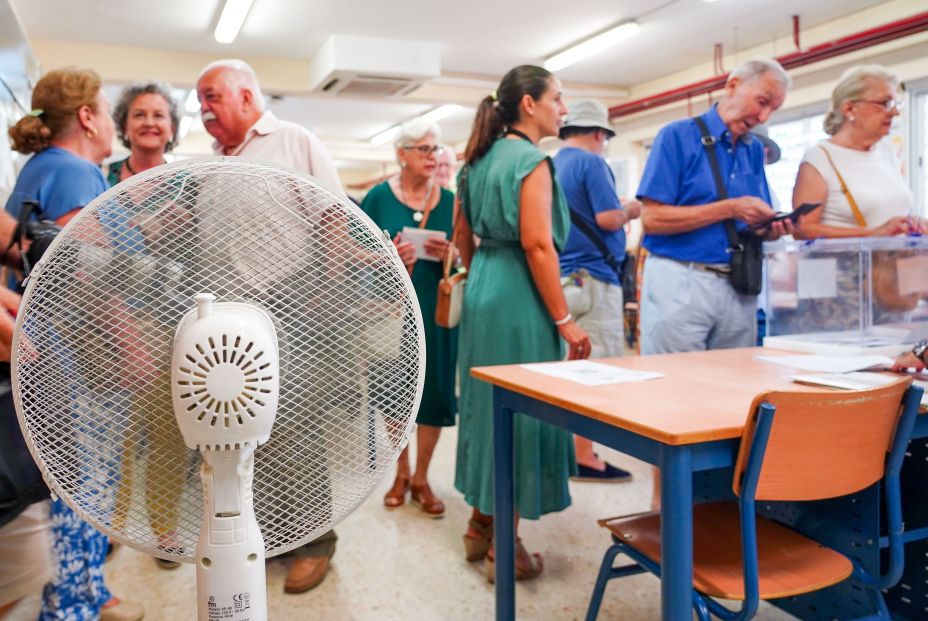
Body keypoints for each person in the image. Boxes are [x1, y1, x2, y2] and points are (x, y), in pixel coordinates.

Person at [196, 57, 345, 594]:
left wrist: (327, 301)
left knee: (298, 429)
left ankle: (315, 543)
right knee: (245, 431)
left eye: (211, 96)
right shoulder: (209, 164)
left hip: (293, 304)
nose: (203, 108)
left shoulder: (293, 140)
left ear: (245, 95)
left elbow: (334, 220)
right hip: (229, 321)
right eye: (201, 100)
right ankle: (275, 536)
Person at [5, 68, 143, 621]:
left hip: (50, 356)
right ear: (87, 118)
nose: (111, 125)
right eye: (107, 112)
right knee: (81, 490)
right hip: (83, 362)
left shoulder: (38, 168)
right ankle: (72, 605)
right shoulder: (77, 171)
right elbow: (87, 276)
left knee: (64, 484)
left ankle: (80, 597)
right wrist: (134, 348)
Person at [454, 65, 591, 582]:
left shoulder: (475, 161)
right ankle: (504, 548)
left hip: (484, 287)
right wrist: (563, 320)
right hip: (519, 295)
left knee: (485, 408)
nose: (564, 108)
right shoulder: (532, 162)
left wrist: (477, 278)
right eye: (558, 98)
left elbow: (461, 238)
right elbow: (537, 244)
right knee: (518, 414)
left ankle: (479, 524)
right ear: (529, 104)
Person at [636, 59, 793, 356]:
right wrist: (731, 208)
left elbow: (747, 222)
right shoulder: (677, 137)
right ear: (733, 85)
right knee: (673, 383)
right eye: (762, 102)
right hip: (682, 279)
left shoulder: (754, 149)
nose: (763, 116)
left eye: (773, 109)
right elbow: (653, 218)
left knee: (732, 383)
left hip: (738, 285)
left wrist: (771, 229)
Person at [360, 120, 457, 517]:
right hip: (390, 308)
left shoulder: (450, 202)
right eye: (424, 150)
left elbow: (469, 258)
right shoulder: (378, 198)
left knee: (433, 393)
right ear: (402, 155)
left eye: (436, 150)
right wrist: (387, 256)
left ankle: (422, 477)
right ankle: (400, 472)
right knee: (396, 394)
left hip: (436, 306)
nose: (433, 157)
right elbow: (351, 251)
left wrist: (453, 251)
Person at [555, 99, 639, 482]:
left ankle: (567, 449)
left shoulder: (551, 164)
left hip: (565, 279)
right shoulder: (592, 163)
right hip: (594, 276)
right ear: (598, 133)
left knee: (568, 367)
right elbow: (607, 217)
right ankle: (584, 456)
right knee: (597, 368)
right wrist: (631, 210)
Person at [792, 65, 924, 238]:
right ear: (849, 109)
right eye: (885, 103)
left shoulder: (888, 153)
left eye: (894, 103)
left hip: (892, 263)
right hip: (846, 265)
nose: (894, 112)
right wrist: (872, 233)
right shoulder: (820, 158)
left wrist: (912, 225)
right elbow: (802, 230)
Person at [107, 82, 180, 185]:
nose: (149, 123)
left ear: (172, 128)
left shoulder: (188, 184)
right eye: (139, 115)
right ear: (124, 126)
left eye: (158, 115)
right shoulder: (103, 176)